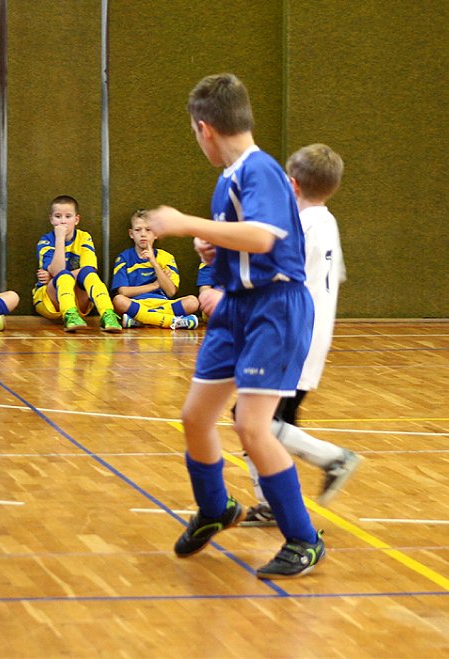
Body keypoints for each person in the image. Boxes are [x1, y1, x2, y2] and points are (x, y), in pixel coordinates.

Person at [146, 73, 324, 578]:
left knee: (251, 425)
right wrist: (214, 246)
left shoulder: (259, 169)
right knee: (196, 416)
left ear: (205, 129)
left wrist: (188, 225)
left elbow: (265, 238)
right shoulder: (231, 178)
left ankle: (304, 538)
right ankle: (215, 507)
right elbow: (245, 238)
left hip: (274, 308)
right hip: (238, 307)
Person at [240, 144, 362, 526]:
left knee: (252, 422)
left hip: (290, 335)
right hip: (312, 335)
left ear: (291, 184)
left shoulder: (299, 228)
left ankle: (333, 458)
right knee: (275, 422)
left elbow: (272, 276)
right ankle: (273, 504)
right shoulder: (327, 224)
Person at [33, 194, 122, 333]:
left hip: (79, 298)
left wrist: (53, 275)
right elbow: (58, 271)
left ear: (76, 219)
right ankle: (70, 315)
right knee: (63, 276)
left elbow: (88, 269)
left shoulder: (84, 237)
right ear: (51, 219)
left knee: (89, 274)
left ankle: (108, 314)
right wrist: (60, 239)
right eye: (58, 216)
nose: (63, 221)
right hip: (49, 300)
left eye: (68, 216)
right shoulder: (46, 241)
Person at [110, 208, 199, 330]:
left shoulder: (166, 257)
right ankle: (171, 321)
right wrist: (155, 285)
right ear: (131, 234)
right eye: (138, 230)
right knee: (118, 301)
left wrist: (154, 263)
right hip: (137, 304)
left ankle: (141, 320)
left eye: (148, 230)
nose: (143, 234)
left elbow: (171, 292)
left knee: (192, 302)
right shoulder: (124, 257)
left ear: (156, 233)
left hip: (163, 304)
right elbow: (123, 292)